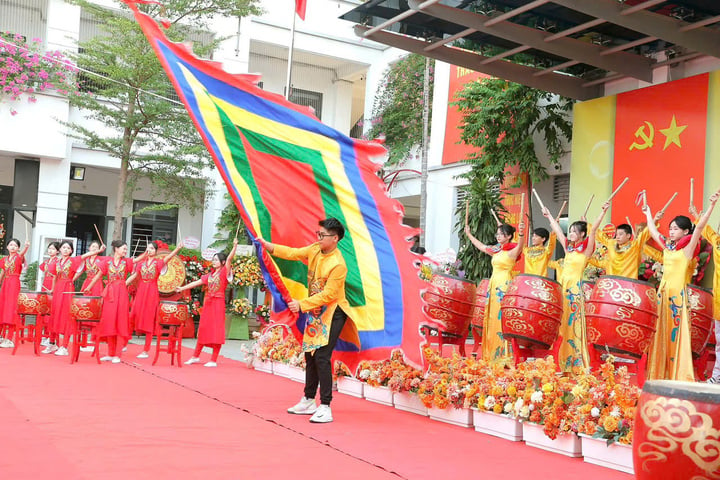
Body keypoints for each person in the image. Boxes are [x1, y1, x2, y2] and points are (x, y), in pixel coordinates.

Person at [258, 218, 358, 424]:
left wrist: (302, 304)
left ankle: (326, 406)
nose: (318, 238)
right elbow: (294, 253)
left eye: (323, 235)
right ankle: (308, 399)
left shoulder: (338, 264)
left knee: (322, 356)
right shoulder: (314, 250)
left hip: (333, 312)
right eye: (318, 234)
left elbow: (330, 295)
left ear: (335, 238)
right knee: (310, 354)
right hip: (315, 310)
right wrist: (270, 247)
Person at [642, 190, 720, 381]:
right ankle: (661, 372)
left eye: (676, 228)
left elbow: (700, 227)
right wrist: (648, 214)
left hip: (678, 297)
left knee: (676, 335)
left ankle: (679, 374)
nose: (671, 231)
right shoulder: (668, 247)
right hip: (663, 294)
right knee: (661, 333)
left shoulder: (688, 249)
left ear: (686, 231)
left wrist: (711, 206)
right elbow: (653, 231)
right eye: (670, 228)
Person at [544, 202, 609, 372]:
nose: (571, 233)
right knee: (561, 322)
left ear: (581, 234)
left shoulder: (586, 250)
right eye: (570, 231)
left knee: (573, 324)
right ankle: (559, 360)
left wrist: (602, 213)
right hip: (563, 288)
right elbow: (558, 232)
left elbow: (593, 230)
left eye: (574, 231)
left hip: (574, 290)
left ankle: (575, 362)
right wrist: (549, 216)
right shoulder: (568, 248)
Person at [464, 221, 524, 363]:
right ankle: (491, 353)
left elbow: (521, 244)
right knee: (491, 317)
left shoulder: (512, 251)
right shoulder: (497, 251)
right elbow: (481, 246)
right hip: (493, 284)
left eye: (502, 234)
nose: (498, 236)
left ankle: (505, 355)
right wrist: (469, 234)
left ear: (509, 236)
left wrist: (521, 233)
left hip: (504, 285)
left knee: (500, 317)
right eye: (497, 234)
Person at [177, 239, 237, 367]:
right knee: (203, 329)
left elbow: (230, 258)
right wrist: (182, 288)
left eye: (216, 260)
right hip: (209, 303)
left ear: (222, 262)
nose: (213, 261)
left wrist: (235, 246)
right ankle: (195, 356)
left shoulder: (224, 272)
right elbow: (198, 282)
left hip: (218, 304)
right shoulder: (210, 275)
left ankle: (213, 359)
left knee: (216, 330)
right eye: (213, 259)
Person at [84, 240, 145, 363]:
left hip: (122, 293)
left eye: (126, 249)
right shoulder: (107, 262)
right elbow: (98, 275)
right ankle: (110, 353)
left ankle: (117, 354)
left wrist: (146, 253)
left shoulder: (126, 262)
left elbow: (137, 260)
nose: (125, 251)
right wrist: (89, 287)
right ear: (116, 249)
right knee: (109, 321)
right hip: (110, 294)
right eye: (123, 248)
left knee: (120, 321)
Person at [44, 241, 104, 355]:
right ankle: (52, 343)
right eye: (63, 247)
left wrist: (99, 251)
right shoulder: (57, 262)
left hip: (67, 288)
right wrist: (52, 289)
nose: (65, 249)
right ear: (60, 250)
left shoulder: (73, 260)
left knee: (66, 316)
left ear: (71, 251)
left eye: (68, 248)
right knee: (55, 313)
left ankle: (64, 346)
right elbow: (54, 277)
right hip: (58, 290)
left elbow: (85, 255)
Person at [127, 240, 183, 359]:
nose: (149, 250)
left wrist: (177, 249)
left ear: (156, 251)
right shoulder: (141, 264)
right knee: (133, 315)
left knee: (148, 319)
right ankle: (124, 342)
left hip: (151, 292)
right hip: (141, 291)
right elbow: (134, 275)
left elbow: (168, 258)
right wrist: (124, 283)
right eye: (148, 248)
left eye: (152, 248)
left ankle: (146, 350)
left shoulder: (158, 263)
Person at [0, 238, 30, 348]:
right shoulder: (4, 260)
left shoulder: (18, 257)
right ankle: (2, 336)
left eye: (15, 245)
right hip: (5, 284)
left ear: (18, 248)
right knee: (2, 307)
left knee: (11, 308)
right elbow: (2, 272)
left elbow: (22, 254)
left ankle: (9, 338)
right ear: (7, 247)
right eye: (11, 245)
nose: (13, 247)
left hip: (14, 283)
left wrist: (26, 247)